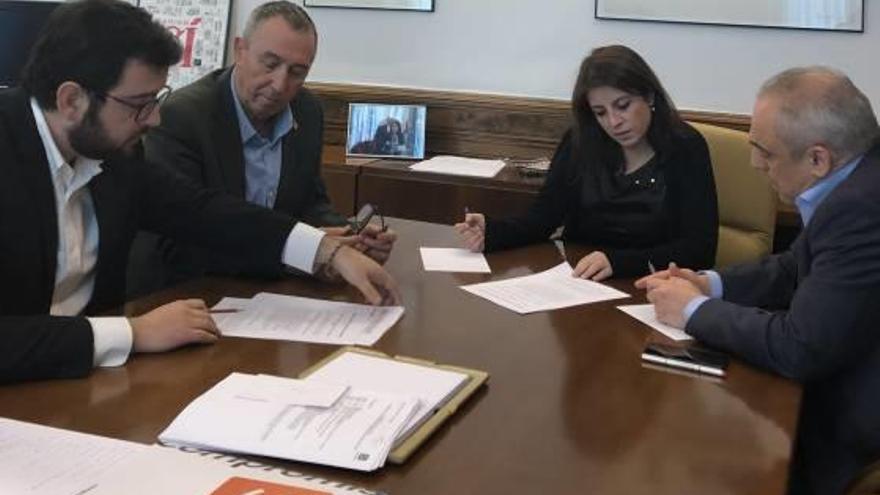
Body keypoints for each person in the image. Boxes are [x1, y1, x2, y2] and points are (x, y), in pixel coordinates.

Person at [0, 0, 399, 384]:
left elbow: (202, 212)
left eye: (157, 100)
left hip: (86, 384)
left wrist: (327, 250)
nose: (154, 119)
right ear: (72, 100)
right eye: (140, 104)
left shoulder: (113, 156)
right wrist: (132, 333)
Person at [637, 67, 880, 495]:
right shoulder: (856, 178)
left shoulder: (861, 209)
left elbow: (800, 347)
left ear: (817, 158)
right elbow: (795, 266)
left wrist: (693, 311)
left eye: (765, 152)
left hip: (847, 428)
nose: (754, 164)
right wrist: (710, 283)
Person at [138, 1, 396, 290]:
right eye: (270, 64)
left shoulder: (307, 111)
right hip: (191, 294)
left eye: (297, 72)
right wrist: (305, 253)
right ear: (240, 50)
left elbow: (310, 202)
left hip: (275, 296)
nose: (279, 84)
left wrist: (350, 240)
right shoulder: (183, 116)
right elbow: (178, 240)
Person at [454, 45, 718, 281]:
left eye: (623, 106)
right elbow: (542, 219)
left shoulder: (686, 147)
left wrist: (618, 262)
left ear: (649, 96)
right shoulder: (580, 142)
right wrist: (493, 231)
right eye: (600, 112)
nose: (614, 122)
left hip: (651, 287)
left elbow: (699, 250)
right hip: (578, 283)